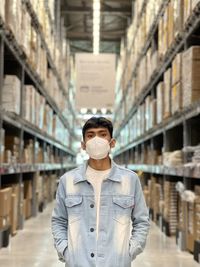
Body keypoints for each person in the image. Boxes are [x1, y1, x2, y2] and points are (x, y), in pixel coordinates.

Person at [51, 116, 150, 267]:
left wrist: (129, 252)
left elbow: (141, 221)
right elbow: (59, 220)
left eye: (102, 134)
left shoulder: (130, 180)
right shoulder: (68, 181)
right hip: (78, 262)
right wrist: (65, 251)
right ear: (83, 145)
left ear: (112, 142)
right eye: (91, 135)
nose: (96, 140)